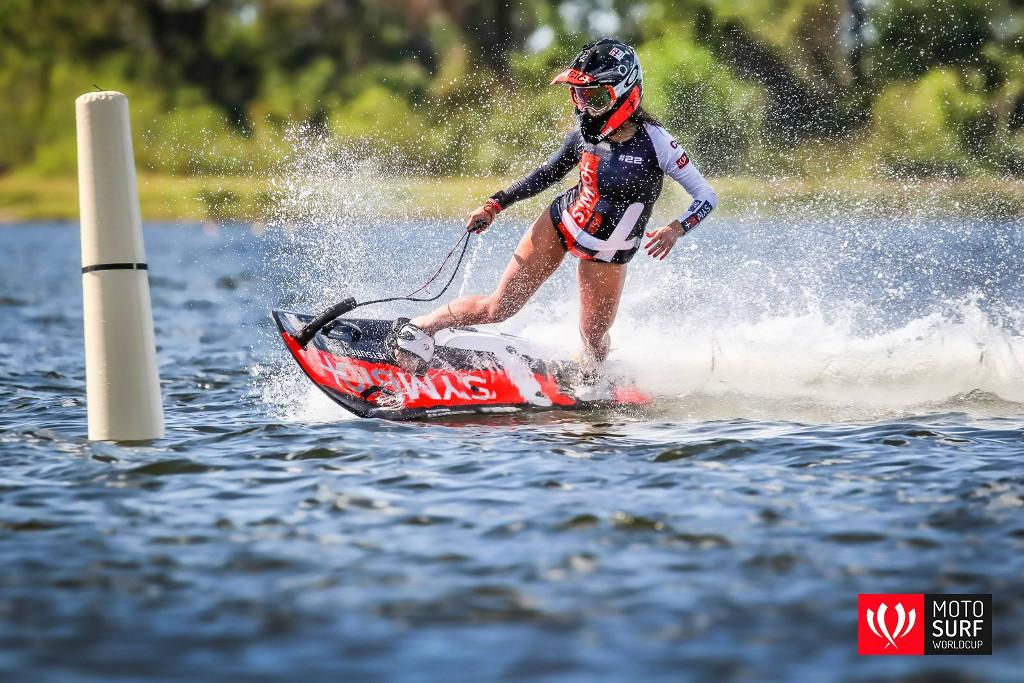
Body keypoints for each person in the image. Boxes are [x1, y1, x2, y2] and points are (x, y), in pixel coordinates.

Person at [389, 38, 718, 379]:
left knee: (592, 339)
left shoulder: (657, 143)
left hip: (607, 253)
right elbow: (546, 174)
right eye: (579, 96)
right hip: (560, 226)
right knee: (499, 307)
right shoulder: (582, 135)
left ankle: (594, 381)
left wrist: (677, 228)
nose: (584, 107)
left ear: (624, 94)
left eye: (594, 97)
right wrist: (495, 204)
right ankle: (420, 328)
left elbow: (706, 196)